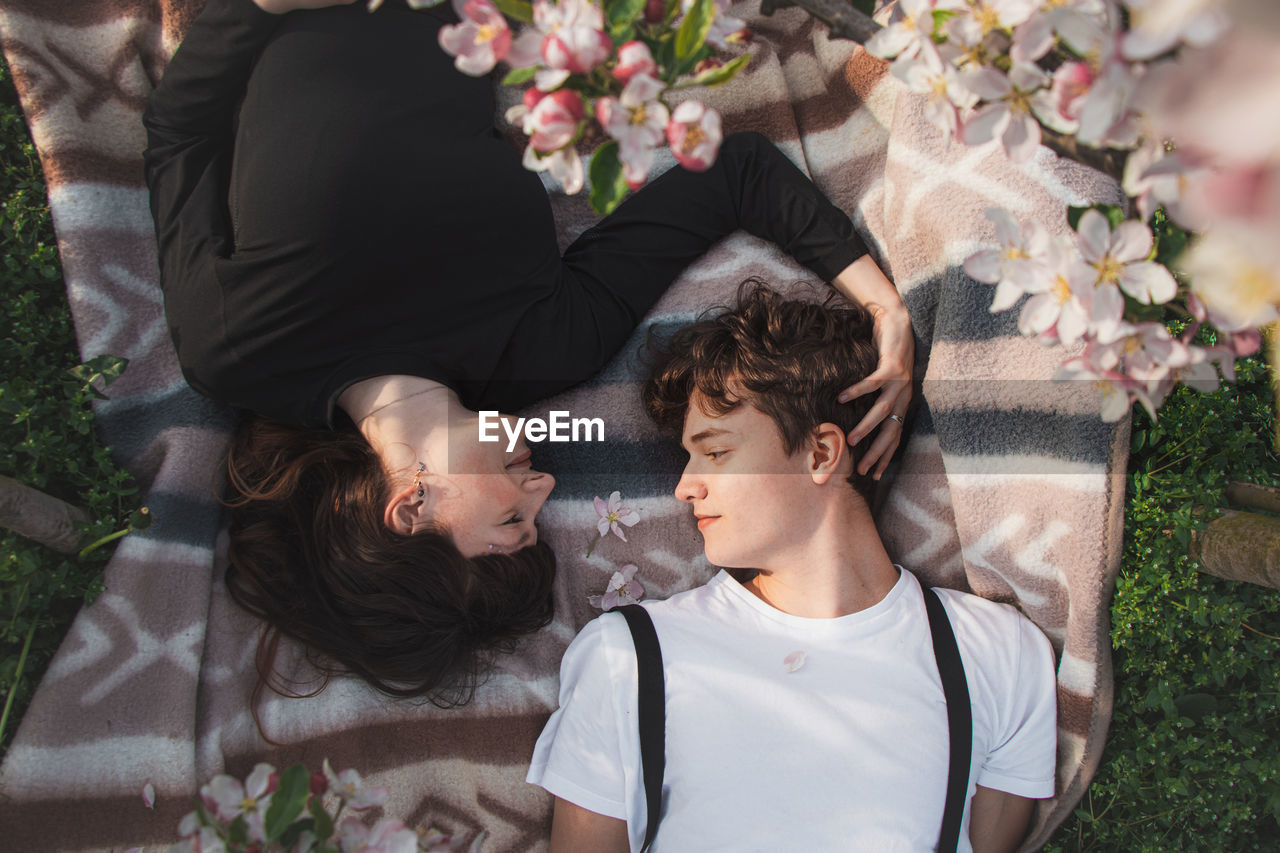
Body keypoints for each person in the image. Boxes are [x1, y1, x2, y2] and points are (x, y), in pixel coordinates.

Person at [142, 0, 914, 699]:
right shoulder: (549, 347)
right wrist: (881, 302)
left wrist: (258, 7)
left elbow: (181, 133)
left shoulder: (238, 352)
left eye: (512, 519)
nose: (543, 485)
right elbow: (733, 173)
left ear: (413, 505)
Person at [527, 283, 1058, 852]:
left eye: (717, 451)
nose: (685, 486)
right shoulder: (628, 657)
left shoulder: (999, 655)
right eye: (688, 456)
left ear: (821, 453)